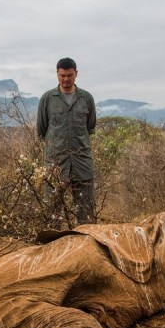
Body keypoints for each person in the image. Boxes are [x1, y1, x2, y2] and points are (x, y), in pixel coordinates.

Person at [36, 57, 97, 228]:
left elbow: (90, 127)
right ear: (57, 74)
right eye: (62, 75)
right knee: (52, 213)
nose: (65, 79)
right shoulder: (47, 99)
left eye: (69, 75)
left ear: (76, 74)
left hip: (82, 162)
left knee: (86, 212)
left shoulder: (86, 98)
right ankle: (52, 249)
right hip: (55, 162)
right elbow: (41, 129)